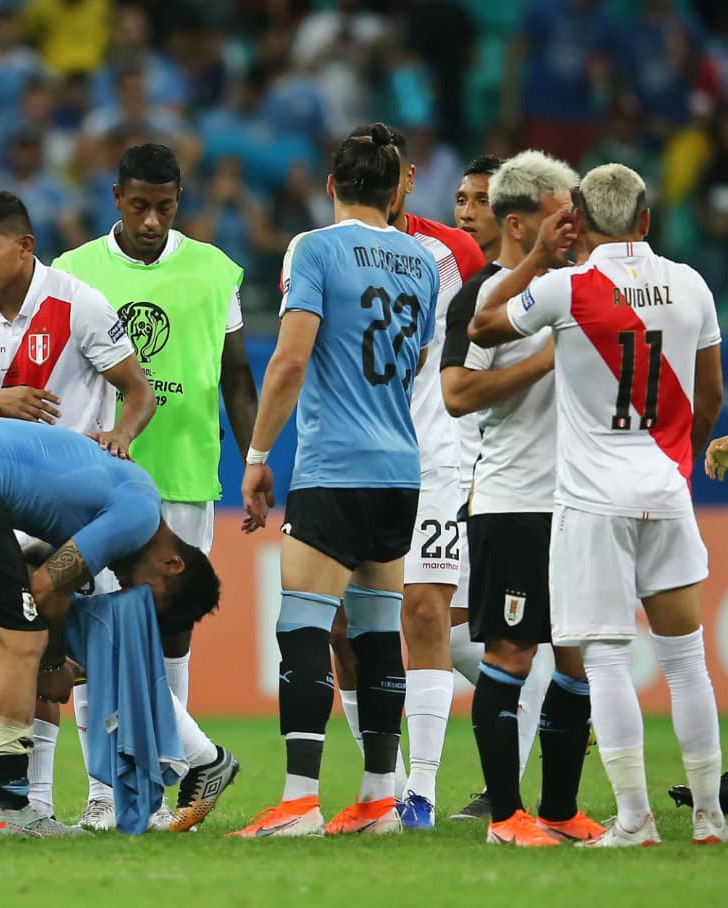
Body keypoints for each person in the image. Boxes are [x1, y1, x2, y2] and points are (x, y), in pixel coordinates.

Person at [469, 163, 726, 847]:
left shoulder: (564, 287)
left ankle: (635, 819)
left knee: (607, 660)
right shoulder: (692, 285)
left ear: (575, 222)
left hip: (590, 501)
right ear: (645, 220)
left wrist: (528, 258)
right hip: (667, 492)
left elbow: (483, 326)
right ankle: (707, 817)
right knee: (686, 660)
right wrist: (678, 461)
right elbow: (708, 398)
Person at [231, 124, 438, 839]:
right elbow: (409, 364)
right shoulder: (423, 261)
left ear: (330, 188)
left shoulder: (314, 248)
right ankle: (380, 797)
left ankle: (297, 801)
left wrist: (258, 455)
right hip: (398, 468)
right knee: (379, 635)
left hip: (335, 467)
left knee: (302, 627)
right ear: (395, 189)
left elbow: (290, 360)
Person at [0, 417, 220, 837]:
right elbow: (42, 588)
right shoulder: (140, 514)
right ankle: (12, 808)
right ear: (172, 564)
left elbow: (38, 564)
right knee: (22, 637)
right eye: (143, 592)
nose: (126, 587)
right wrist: (53, 665)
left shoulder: (112, 496)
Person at [52, 142, 256, 832]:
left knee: (169, 637)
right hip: (97, 483)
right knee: (94, 636)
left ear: (179, 201)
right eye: (137, 205)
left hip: (187, 478)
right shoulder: (72, 271)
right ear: (115, 197)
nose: (149, 219)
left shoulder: (213, 269)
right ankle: (107, 793)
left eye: (163, 206)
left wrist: (256, 458)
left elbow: (235, 374)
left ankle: (164, 793)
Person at [0, 190, 154, 830]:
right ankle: (13, 804)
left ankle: (99, 792)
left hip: (69, 504)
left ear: (23, 245)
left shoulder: (77, 303)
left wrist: (121, 436)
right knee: (2, 642)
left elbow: (138, 391)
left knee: (62, 649)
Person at [440, 150, 603, 846]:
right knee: (509, 654)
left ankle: (560, 813)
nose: (575, 223)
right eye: (560, 210)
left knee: (575, 658)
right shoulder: (483, 298)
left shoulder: (577, 290)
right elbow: (455, 395)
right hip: (512, 502)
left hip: (579, 502)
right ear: (520, 220)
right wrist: (544, 360)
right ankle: (505, 818)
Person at [328, 123, 484, 829]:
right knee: (342, 625)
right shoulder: (319, 250)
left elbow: (464, 360)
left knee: (424, 610)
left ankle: (418, 789)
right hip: (348, 457)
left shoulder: (454, 251)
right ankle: (380, 783)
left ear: (404, 178)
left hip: (432, 454)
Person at [455, 154, 503, 262]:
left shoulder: (539, 278)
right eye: (461, 201)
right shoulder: (436, 274)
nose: (466, 214)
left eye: (483, 202)